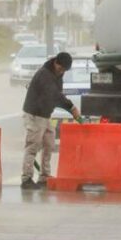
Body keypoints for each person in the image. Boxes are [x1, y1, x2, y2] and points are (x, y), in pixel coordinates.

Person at [20, 51, 82, 190]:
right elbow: (55, 95)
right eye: (61, 68)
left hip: (45, 115)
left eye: (64, 70)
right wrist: (71, 108)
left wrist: (69, 108)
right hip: (35, 114)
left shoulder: (57, 74)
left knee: (49, 143)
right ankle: (26, 179)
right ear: (55, 63)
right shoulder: (45, 75)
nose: (62, 72)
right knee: (32, 146)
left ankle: (44, 176)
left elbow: (57, 95)